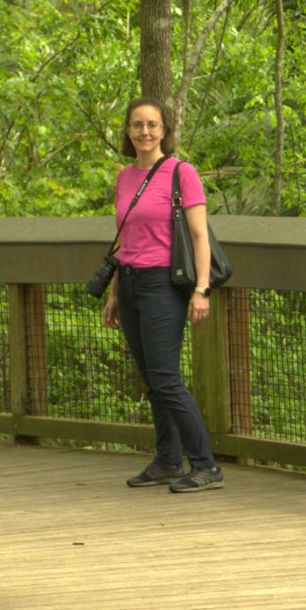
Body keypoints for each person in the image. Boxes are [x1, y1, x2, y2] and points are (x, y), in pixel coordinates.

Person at [101, 97, 223, 492]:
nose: (145, 132)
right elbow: (124, 241)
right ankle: (168, 461)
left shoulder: (181, 173)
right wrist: (114, 293)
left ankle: (205, 465)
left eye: (152, 125)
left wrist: (201, 289)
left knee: (167, 379)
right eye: (137, 125)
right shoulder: (124, 177)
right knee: (152, 380)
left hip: (163, 285)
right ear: (127, 131)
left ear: (164, 130)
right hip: (130, 283)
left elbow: (200, 236)